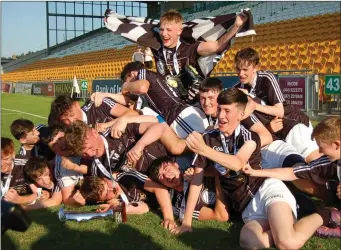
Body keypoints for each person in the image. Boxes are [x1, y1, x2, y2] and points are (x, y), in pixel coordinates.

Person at [170, 89, 335, 250]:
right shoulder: (208, 137)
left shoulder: (249, 137)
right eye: (219, 109)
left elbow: (237, 163)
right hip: (247, 207)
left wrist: (203, 149)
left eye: (227, 111)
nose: (220, 116)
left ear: (241, 115)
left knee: (287, 243)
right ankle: (285, 222)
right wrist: (187, 222)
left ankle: (327, 214)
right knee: (249, 242)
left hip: (266, 191)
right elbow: (197, 180)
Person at [243, 117, 341, 238]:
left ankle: (333, 221)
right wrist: (255, 172)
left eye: (321, 147)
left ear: (336, 145)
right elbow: (292, 172)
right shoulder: (327, 161)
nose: (320, 151)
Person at [233, 47, 322, 164]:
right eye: (238, 69)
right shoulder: (237, 88)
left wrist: (253, 104)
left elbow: (280, 111)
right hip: (272, 132)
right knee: (296, 166)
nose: (241, 73)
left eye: (245, 69)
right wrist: (268, 129)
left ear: (256, 67)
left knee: (313, 160)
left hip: (291, 122)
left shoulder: (266, 78)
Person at [114, 61, 208, 138]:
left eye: (128, 80)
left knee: (200, 145)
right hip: (179, 116)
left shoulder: (143, 73)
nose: (130, 88)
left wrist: (126, 85)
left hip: (179, 115)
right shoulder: (153, 81)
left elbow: (141, 87)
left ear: (133, 74)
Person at [79, 169, 177, 229]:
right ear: (100, 200)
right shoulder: (115, 203)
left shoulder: (127, 178)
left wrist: (168, 218)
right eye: (106, 193)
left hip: (176, 186)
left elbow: (161, 189)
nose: (111, 189)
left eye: (107, 184)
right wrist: (114, 210)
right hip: (175, 203)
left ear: (105, 179)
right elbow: (145, 207)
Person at [148, 156, 229, 222]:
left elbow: (224, 169)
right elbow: (221, 216)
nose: (167, 176)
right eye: (161, 176)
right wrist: (218, 182)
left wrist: (199, 175)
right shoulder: (178, 203)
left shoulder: (195, 168)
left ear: (176, 165)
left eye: (167, 169)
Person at [48, 94, 137, 129]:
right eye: (66, 120)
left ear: (77, 105)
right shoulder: (69, 131)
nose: (71, 121)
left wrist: (108, 124)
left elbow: (133, 114)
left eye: (71, 114)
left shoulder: (98, 104)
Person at [1, 137, 39, 205]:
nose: (1, 164)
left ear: (13, 154)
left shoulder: (26, 165)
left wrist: (19, 199)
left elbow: (39, 193)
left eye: (5, 159)